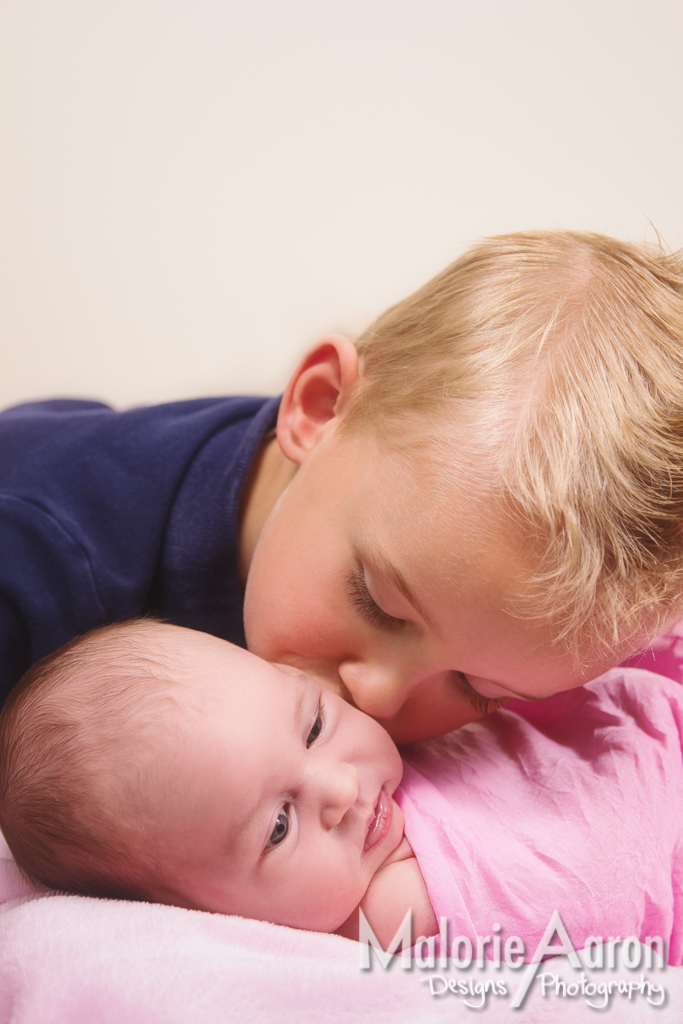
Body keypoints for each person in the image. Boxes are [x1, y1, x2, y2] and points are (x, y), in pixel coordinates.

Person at [1, 232, 683, 742]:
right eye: (379, 606)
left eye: (477, 690)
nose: (379, 698)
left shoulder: (378, 485)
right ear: (319, 406)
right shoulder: (43, 577)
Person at [1, 620, 681, 963]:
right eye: (277, 827)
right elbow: (601, 897)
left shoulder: (409, 721)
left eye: (315, 723)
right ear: (204, 916)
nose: (338, 786)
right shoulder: (380, 925)